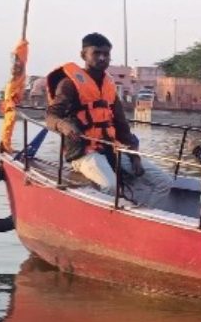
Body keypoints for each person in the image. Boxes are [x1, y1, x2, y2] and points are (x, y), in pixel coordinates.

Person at [44, 33, 171, 208]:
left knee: (163, 182)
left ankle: (143, 217)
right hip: (84, 152)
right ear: (83, 55)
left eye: (106, 54)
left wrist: (135, 156)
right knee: (111, 187)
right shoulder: (69, 84)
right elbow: (51, 116)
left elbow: (122, 126)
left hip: (112, 148)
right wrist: (64, 126)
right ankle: (110, 218)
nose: (102, 58)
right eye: (96, 53)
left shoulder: (109, 86)